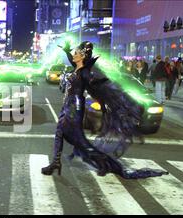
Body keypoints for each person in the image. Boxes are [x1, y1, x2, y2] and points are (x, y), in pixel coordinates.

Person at [41, 41, 167, 179]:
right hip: (68, 105)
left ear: (82, 57)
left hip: (75, 108)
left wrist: (102, 91)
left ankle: (108, 164)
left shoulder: (84, 73)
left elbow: (95, 87)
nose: (73, 55)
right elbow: (73, 60)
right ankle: (56, 162)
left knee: (79, 142)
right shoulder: (77, 67)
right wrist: (66, 50)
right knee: (60, 133)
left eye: (76, 53)